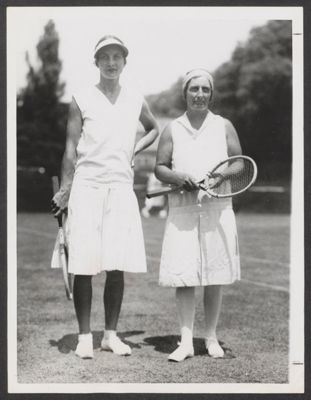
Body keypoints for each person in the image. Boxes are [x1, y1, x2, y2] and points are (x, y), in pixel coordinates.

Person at [51, 35, 159, 359]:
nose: (111, 62)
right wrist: (66, 190)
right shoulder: (81, 98)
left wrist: (133, 150)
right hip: (86, 185)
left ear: (125, 61)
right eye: (105, 57)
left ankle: (110, 335)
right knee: (83, 263)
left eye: (117, 57)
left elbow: (153, 129)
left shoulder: (136, 99)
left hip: (120, 187)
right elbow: (70, 149)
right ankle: (85, 336)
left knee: (117, 265)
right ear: (96, 62)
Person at [155, 69, 241, 362]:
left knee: (214, 275)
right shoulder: (172, 128)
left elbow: (238, 164)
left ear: (211, 94)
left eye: (205, 89)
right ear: (185, 93)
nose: (200, 94)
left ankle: (211, 338)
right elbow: (160, 168)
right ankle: (186, 342)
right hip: (183, 211)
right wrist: (179, 177)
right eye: (194, 89)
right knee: (185, 276)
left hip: (217, 209)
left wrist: (217, 177)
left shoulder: (223, 125)